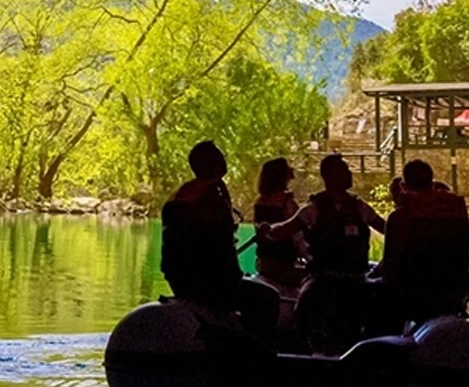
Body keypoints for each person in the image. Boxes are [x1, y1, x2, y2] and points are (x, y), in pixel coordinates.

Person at [259, 154, 386, 353]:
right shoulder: (313, 208)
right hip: (323, 277)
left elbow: (386, 228)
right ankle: (303, 348)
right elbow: (286, 229)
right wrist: (269, 230)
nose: (349, 173)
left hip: (356, 277)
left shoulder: (360, 207)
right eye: (344, 170)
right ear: (329, 176)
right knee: (304, 305)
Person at [161, 141, 279, 343]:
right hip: (207, 284)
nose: (225, 158)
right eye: (220, 155)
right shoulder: (210, 198)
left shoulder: (183, 194)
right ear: (214, 163)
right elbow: (216, 248)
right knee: (268, 298)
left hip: (181, 281)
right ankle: (258, 352)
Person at [379, 159, 469, 326]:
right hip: (454, 291)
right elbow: (464, 249)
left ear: (405, 186)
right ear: (432, 181)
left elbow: (390, 266)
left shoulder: (399, 217)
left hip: (413, 296)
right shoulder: (456, 212)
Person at [252, 158, 306, 294]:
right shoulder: (287, 203)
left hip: (264, 262)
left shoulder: (260, 202)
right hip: (284, 264)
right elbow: (298, 236)